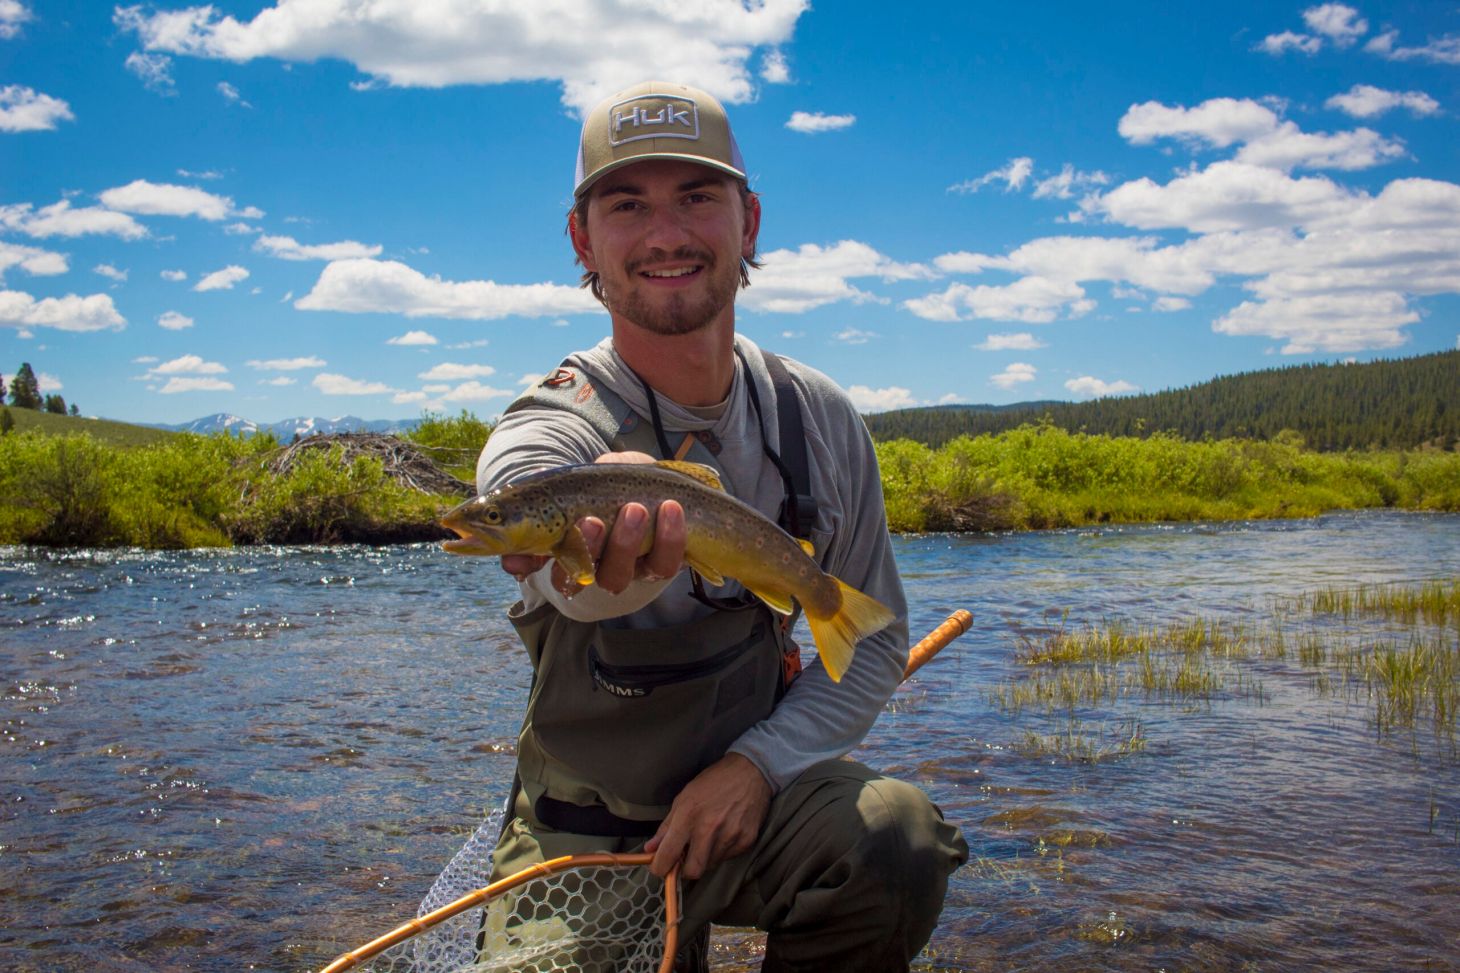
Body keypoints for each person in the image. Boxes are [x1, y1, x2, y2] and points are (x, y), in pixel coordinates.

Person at [475, 80, 968, 972]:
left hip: (757, 807)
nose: (666, 233)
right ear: (584, 238)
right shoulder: (558, 421)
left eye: (697, 197)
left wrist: (758, 767)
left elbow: (879, 639)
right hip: (585, 830)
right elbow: (526, 493)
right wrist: (573, 534)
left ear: (750, 220)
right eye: (627, 205)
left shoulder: (816, 417)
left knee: (894, 837)